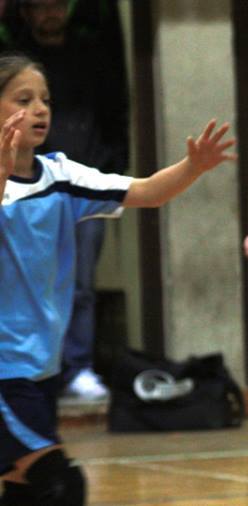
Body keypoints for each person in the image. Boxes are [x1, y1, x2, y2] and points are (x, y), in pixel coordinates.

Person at [0, 53, 234, 505]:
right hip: (4, 371)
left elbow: (144, 191)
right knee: (60, 483)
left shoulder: (61, 177)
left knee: (25, 491)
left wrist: (193, 168)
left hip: (39, 365)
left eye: (45, 99)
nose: (40, 109)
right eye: (23, 99)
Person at [16, 0, 129, 400]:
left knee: (78, 283)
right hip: (25, 188)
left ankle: (76, 366)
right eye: (39, 6)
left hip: (77, 183)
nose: (49, 13)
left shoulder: (91, 58)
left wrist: (113, 167)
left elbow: (114, 115)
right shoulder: (16, 60)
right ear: (26, 14)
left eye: (56, 5)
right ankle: (31, 367)